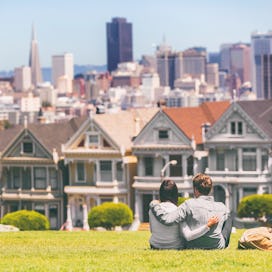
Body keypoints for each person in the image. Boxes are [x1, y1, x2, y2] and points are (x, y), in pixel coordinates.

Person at [150, 173, 232, 249]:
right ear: (210, 190)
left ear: (195, 190)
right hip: (216, 245)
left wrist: (154, 204)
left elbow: (167, 219)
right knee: (228, 216)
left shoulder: (188, 204)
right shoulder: (222, 207)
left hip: (192, 244)